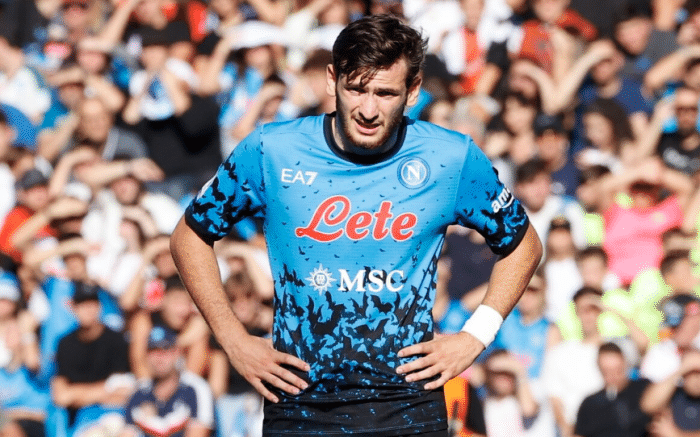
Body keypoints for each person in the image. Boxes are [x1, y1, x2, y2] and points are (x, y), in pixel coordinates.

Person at [171, 14, 542, 436]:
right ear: (332, 79)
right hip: (298, 406)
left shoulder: (450, 158)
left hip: (407, 407)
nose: (368, 109)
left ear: (413, 90)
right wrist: (232, 338)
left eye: (385, 93)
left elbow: (524, 246)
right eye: (356, 89)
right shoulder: (271, 149)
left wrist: (475, 335)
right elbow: (189, 237)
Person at [573, 342, 651, 437]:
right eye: (607, 371)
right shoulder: (590, 404)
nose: (613, 376)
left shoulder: (645, 390)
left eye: (618, 370)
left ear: (625, 364)